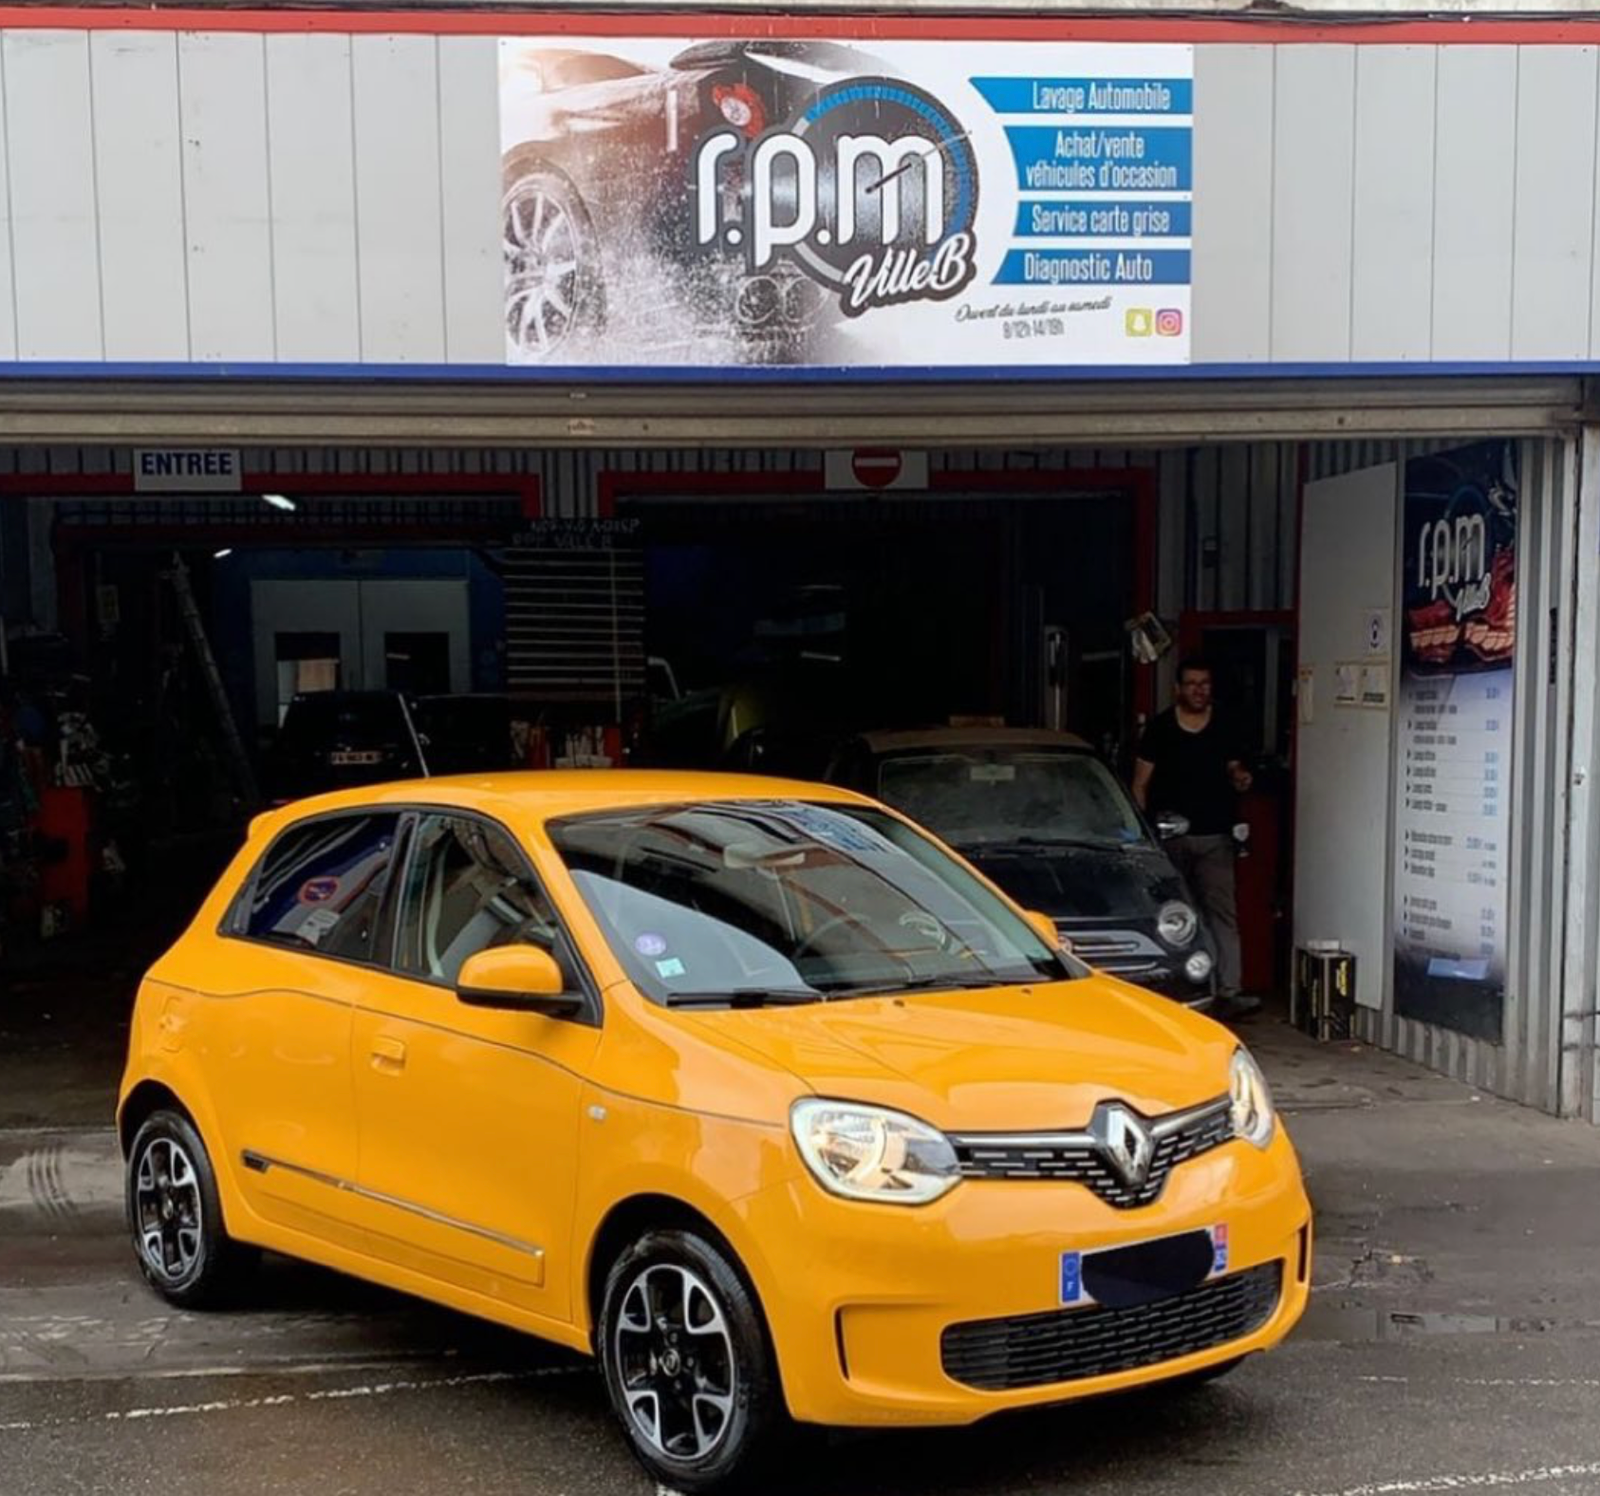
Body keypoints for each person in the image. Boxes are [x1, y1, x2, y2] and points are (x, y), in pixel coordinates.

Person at [1131, 659, 1260, 1021]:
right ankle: (1174, 989)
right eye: (1192, 684)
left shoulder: (1225, 725)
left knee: (1222, 914)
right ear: (1178, 689)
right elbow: (1140, 784)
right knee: (1172, 914)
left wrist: (1240, 776)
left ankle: (1230, 991)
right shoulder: (1159, 729)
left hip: (1215, 837)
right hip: (1169, 840)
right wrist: (1145, 833)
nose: (1199, 690)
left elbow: (1234, 766)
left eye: (1204, 683)